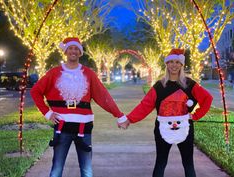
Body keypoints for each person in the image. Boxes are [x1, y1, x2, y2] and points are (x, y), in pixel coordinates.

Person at [30, 37, 127, 177]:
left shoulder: (89, 74)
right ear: (66, 51)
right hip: (62, 126)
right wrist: (47, 113)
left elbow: (103, 97)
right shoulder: (54, 73)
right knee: (57, 168)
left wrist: (119, 115)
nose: (73, 51)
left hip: (84, 127)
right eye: (70, 48)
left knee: (86, 170)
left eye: (76, 48)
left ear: (80, 52)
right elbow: (35, 92)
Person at [119, 48, 213, 177]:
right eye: (171, 62)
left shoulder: (190, 84)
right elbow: (145, 106)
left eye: (177, 62)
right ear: (167, 64)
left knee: (188, 164)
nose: (174, 65)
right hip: (162, 129)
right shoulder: (159, 86)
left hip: (185, 128)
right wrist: (129, 119)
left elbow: (207, 99)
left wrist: (196, 115)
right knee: (161, 163)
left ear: (181, 65)